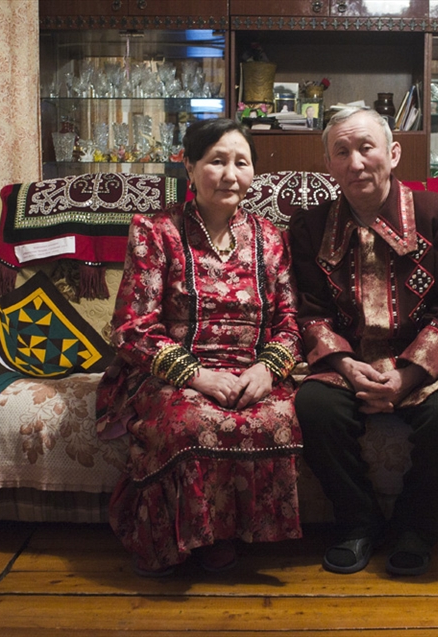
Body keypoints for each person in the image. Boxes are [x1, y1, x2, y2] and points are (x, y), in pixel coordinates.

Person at [96, 118, 303, 577]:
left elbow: (291, 323)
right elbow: (132, 328)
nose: (231, 175)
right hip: (173, 373)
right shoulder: (155, 231)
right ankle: (174, 541)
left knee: (277, 417)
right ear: (189, 166)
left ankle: (226, 535)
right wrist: (198, 376)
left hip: (251, 371)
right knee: (193, 421)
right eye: (216, 161)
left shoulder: (270, 238)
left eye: (241, 162)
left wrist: (267, 370)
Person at [289, 107, 438, 576]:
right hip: (348, 364)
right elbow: (309, 309)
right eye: (342, 152)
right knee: (314, 409)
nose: (356, 162)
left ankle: (415, 528)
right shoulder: (309, 226)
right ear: (329, 166)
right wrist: (341, 364)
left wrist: (408, 375)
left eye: (366, 148)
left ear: (393, 154)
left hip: (428, 365)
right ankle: (358, 524)